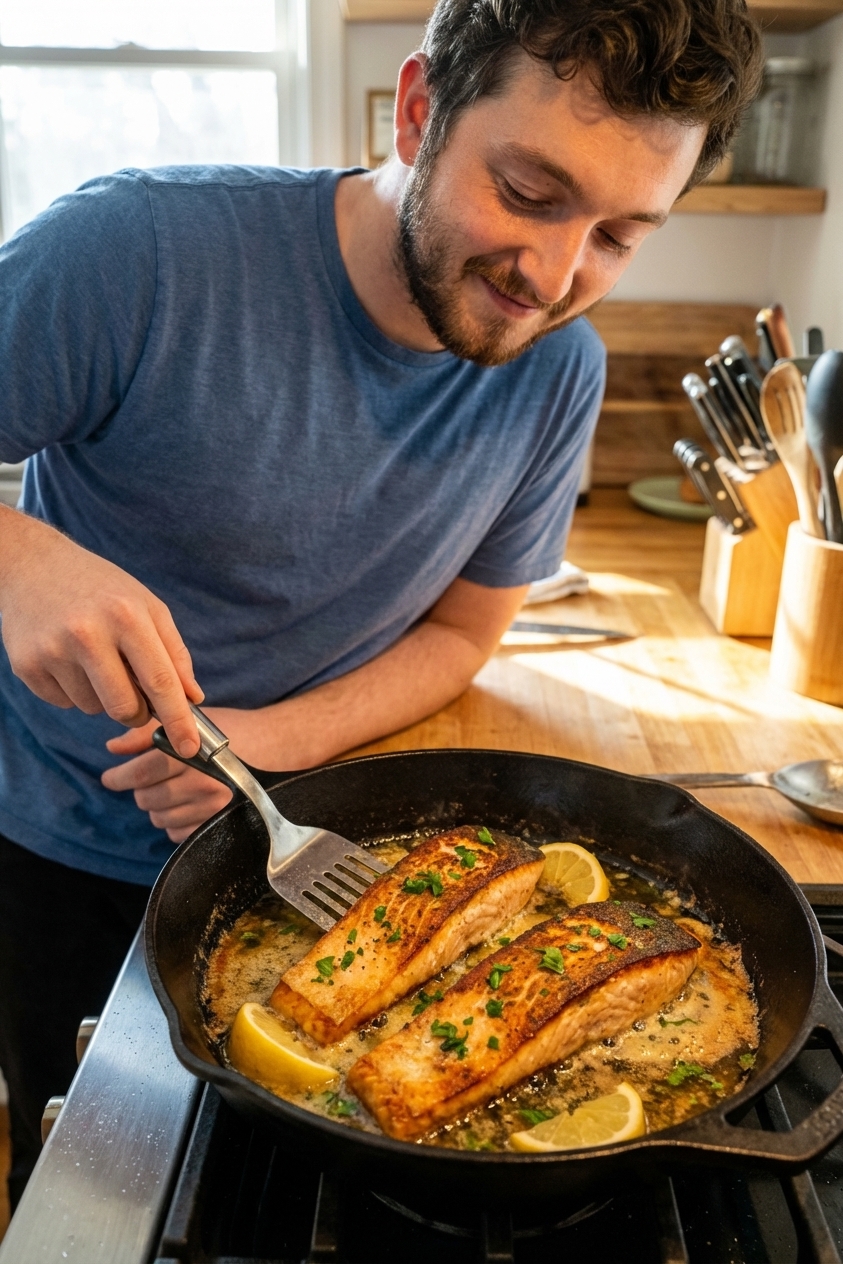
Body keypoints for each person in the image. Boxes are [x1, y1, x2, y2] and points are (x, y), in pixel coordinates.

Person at [0, 0, 761, 1209]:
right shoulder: (133, 250)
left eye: (620, 233)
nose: (554, 278)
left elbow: (468, 631)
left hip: (319, 837)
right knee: (91, 1180)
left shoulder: (559, 366)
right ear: (418, 109)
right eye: (528, 191)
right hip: (62, 845)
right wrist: (15, 557)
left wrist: (268, 743)